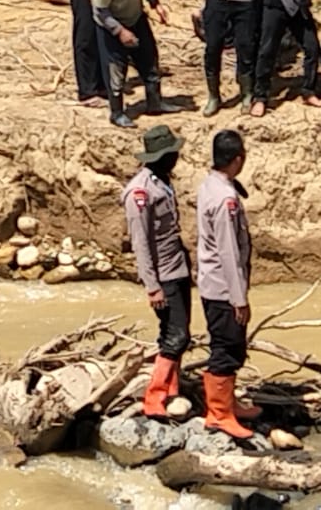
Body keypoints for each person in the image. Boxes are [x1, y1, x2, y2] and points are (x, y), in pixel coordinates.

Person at [121, 125, 190, 420]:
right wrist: (152, 286)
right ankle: (155, 397)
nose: (176, 158)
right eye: (172, 153)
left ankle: (173, 390)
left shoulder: (161, 181)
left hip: (177, 268)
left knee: (175, 333)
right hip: (163, 274)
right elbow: (141, 243)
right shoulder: (140, 191)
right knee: (177, 335)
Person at [197, 129, 262, 438]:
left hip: (213, 283)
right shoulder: (225, 200)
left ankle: (227, 404)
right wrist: (239, 299)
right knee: (227, 349)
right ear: (238, 159)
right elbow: (228, 251)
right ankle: (219, 414)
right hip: (223, 288)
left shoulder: (210, 184)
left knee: (229, 346)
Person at [91, 0, 180, 128]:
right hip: (111, 23)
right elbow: (100, 11)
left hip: (135, 16)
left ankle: (155, 102)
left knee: (149, 57)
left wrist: (156, 5)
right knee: (116, 68)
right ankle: (117, 113)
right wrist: (120, 31)